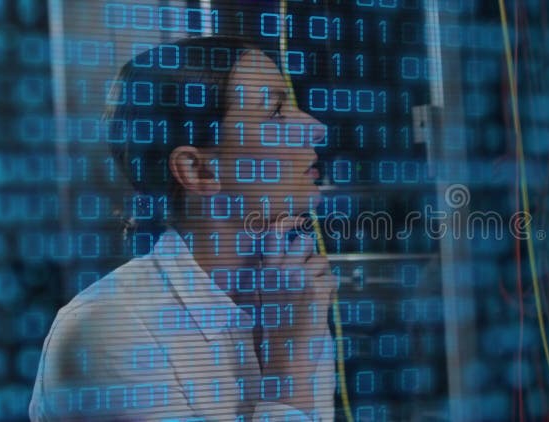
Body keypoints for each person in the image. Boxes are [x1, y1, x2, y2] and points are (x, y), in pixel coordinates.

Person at [29, 36, 337, 421]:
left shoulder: (288, 299)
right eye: (275, 112)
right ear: (197, 169)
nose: (316, 127)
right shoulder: (107, 333)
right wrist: (287, 376)